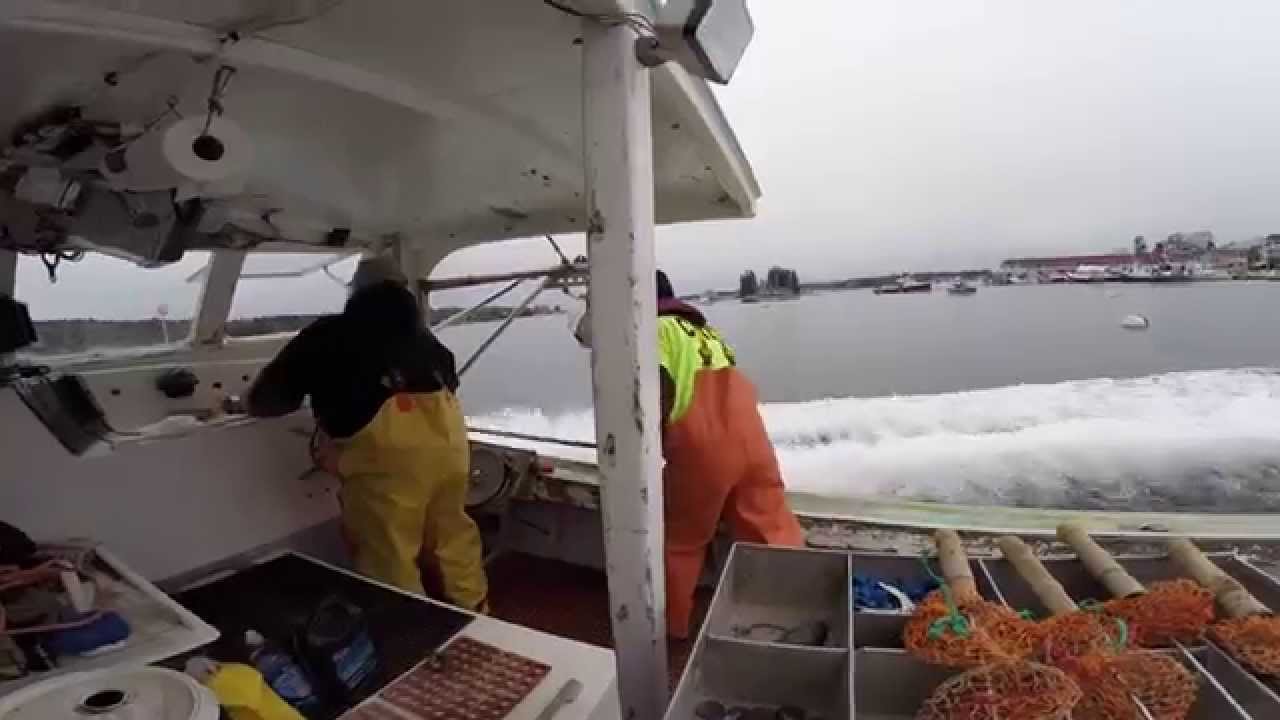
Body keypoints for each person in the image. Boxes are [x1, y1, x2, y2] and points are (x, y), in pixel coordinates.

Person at [241, 256, 488, 611]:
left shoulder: (327, 335)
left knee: (388, 552)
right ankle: (478, 612)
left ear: (356, 292)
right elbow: (450, 381)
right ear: (403, 294)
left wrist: (246, 403)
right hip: (450, 452)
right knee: (453, 537)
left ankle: (408, 630)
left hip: (390, 466)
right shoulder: (427, 342)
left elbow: (270, 399)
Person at [655, 270, 805, 638]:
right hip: (752, 441)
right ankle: (799, 610)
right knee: (772, 530)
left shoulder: (653, 331)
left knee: (682, 543)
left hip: (703, 448)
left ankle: (672, 630)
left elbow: (655, 391)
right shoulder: (708, 333)